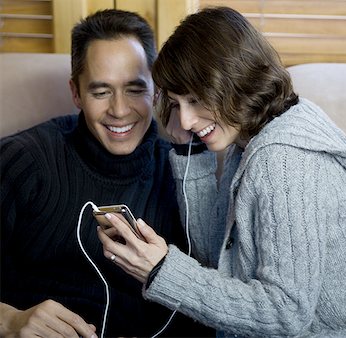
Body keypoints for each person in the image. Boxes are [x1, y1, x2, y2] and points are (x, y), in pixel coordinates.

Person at [97, 6, 346, 338]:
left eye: (196, 100)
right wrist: (191, 148)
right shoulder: (250, 139)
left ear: (233, 80)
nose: (184, 119)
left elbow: (284, 314)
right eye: (177, 102)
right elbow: (217, 257)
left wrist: (161, 271)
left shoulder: (282, 162)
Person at [0, 9, 213, 338]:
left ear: (156, 88)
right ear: (76, 93)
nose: (119, 110)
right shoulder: (24, 160)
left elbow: (217, 295)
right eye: (100, 92)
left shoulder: (187, 171)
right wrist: (10, 321)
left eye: (133, 89)